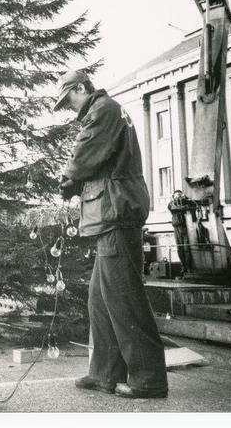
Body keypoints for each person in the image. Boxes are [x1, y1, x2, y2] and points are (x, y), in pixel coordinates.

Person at [55, 70, 168, 399]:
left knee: (124, 297)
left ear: (80, 88)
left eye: (69, 99)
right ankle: (104, 373)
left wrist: (66, 182)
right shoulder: (108, 109)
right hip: (114, 213)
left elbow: (84, 155)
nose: (69, 107)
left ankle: (149, 379)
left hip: (117, 213)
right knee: (101, 299)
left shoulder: (101, 110)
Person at [167, 190, 192, 275]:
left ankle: (188, 267)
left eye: (179, 195)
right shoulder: (171, 204)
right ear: (173, 196)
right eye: (176, 195)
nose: (178, 196)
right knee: (180, 248)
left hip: (185, 227)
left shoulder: (185, 202)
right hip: (176, 228)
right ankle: (183, 267)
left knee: (186, 248)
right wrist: (181, 204)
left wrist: (185, 200)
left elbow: (190, 206)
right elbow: (172, 207)